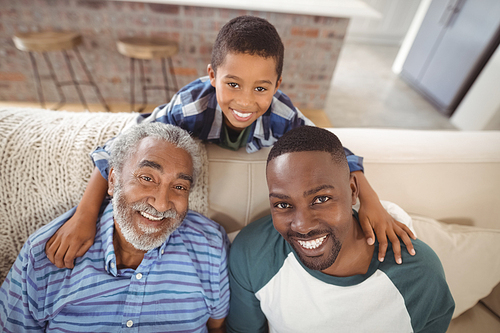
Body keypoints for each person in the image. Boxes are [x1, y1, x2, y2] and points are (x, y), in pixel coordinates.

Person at [46, 15, 414, 269]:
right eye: (232, 83)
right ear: (212, 76)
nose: (244, 101)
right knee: (145, 126)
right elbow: (118, 150)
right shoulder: (191, 106)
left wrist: (371, 202)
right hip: (164, 119)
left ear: (277, 86)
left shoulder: (283, 115)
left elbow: (337, 153)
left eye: (261, 88)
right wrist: (84, 216)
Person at [0, 123, 229, 332]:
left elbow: (217, 328)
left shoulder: (210, 247)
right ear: (112, 180)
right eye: (147, 178)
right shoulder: (43, 256)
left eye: (179, 186)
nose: (161, 203)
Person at [226, 126, 455, 333]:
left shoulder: (421, 274)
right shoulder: (252, 253)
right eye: (283, 205)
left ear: (353, 191)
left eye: (321, 198)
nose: (303, 225)